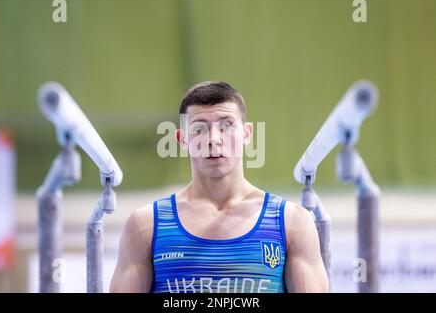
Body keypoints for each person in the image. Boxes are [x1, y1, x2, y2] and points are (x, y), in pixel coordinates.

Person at [110, 81, 329, 293]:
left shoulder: (291, 222)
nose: (214, 139)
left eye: (226, 125)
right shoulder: (145, 226)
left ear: (247, 133)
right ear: (181, 139)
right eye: (199, 129)